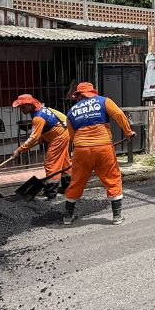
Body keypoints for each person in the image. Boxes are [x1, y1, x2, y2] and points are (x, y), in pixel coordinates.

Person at [63, 82, 135, 226]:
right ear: (92, 92)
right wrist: (128, 132)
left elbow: (71, 136)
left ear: (78, 95)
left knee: (77, 181)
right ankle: (117, 217)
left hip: (81, 150)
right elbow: (119, 114)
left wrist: (81, 146)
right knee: (112, 177)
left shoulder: (71, 111)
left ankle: (67, 217)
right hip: (103, 148)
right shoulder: (103, 101)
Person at [12, 94, 71, 199]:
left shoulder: (38, 117)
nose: (21, 110)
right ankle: (68, 187)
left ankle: (51, 193)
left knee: (51, 163)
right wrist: (42, 137)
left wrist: (19, 150)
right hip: (63, 133)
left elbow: (33, 138)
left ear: (30, 105)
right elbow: (53, 122)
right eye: (20, 107)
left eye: (23, 107)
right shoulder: (40, 109)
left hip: (59, 137)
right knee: (64, 161)